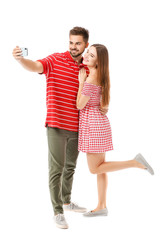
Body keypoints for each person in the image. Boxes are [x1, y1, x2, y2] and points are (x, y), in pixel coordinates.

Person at [12, 27, 108, 229]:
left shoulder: (87, 68)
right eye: (71, 42)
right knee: (56, 169)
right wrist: (21, 60)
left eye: (78, 43)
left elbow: (98, 91)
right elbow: (36, 65)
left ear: (86, 45)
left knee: (70, 168)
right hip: (56, 124)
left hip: (78, 127)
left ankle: (66, 201)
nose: (73, 47)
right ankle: (57, 211)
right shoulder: (55, 60)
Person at [76, 44, 154, 217]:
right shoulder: (100, 76)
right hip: (99, 123)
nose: (86, 55)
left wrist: (81, 82)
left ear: (98, 62)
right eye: (88, 52)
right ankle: (101, 205)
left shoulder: (90, 78)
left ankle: (135, 163)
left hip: (93, 125)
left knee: (95, 169)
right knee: (101, 168)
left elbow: (79, 105)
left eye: (92, 55)